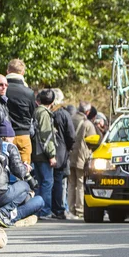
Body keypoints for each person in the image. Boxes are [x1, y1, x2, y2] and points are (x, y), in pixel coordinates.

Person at [0, 132, 43, 228]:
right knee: (36, 198)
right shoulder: (9, 147)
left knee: (27, 194)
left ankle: (2, 214)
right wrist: (25, 169)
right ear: (7, 137)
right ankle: (6, 213)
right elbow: (19, 171)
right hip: (3, 194)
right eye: (12, 137)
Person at [69, 101, 96, 218]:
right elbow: (93, 141)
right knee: (80, 183)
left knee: (71, 184)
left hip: (69, 156)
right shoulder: (87, 124)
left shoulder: (70, 118)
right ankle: (79, 210)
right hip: (81, 157)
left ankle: (70, 209)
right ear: (88, 111)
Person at [6, 59, 36, 164]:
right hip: (23, 136)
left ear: (7, 71)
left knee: (5, 171)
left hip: (5, 136)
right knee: (24, 172)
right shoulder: (29, 93)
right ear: (22, 73)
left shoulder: (0, 89)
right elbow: (33, 114)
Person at [32, 89, 57, 219]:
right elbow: (46, 136)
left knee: (39, 182)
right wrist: (51, 155)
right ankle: (45, 210)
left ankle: (35, 209)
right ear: (52, 102)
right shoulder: (45, 114)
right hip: (43, 154)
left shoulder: (36, 111)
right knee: (47, 182)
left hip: (35, 152)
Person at [51, 89, 76, 220]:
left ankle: (50, 208)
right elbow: (71, 135)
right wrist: (69, 148)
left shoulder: (47, 112)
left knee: (49, 181)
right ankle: (59, 209)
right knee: (59, 181)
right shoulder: (64, 114)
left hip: (47, 151)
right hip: (61, 152)